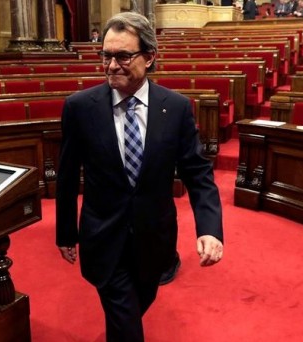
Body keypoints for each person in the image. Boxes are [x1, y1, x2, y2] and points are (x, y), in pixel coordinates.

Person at [56, 11, 224, 342]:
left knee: (138, 303)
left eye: (123, 56)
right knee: (127, 323)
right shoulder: (79, 107)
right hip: (103, 238)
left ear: (149, 58)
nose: (111, 65)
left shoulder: (175, 107)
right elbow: (65, 174)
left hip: (154, 240)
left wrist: (210, 228)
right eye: (105, 55)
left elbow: (198, 172)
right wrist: (66, 232)